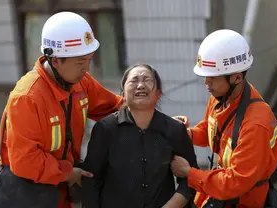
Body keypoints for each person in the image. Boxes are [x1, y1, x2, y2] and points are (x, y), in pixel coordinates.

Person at [0, 11, 123, 208]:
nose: (86, 69)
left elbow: (114, 106)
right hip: (27, 196)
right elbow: (25, 161)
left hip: (59, 193)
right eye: (80, 62)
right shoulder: (27, 98)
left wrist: (164, 122)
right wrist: (67, 173)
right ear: (55, 60)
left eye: (89, 60)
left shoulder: (80, 82)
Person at [171, 29, 277, 207]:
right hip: (221, 192)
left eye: (213, 78)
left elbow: (235, 182)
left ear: (237, 78)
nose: (206, 83)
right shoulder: (220, 99)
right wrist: (186, 133)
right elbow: (209, 129)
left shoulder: (256, 124)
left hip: (244, 201)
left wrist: (189, 174)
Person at [80, 64, 198, 208]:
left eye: (147, 80)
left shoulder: (174, 129)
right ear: (123, 93)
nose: (140, 85)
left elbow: (191, 179)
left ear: (158, 93)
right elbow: (91, 179)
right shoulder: (106, 129)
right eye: (134, 81)